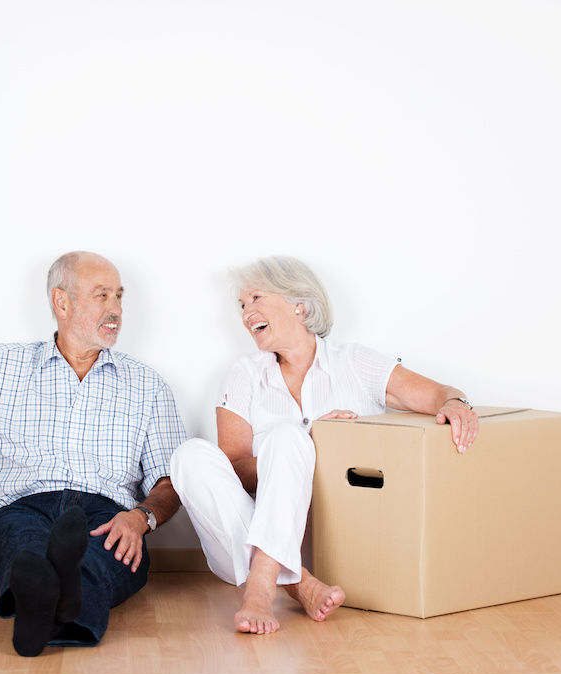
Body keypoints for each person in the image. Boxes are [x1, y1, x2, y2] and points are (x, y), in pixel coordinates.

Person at [0, 251, 186, 656]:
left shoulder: (147, 385)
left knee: (105, 556)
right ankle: (58, 606)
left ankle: (37, 607)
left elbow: (169, 482)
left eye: (119, 296)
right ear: (61, 302)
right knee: (21, 542)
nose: (115, 309)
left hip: (107, 514)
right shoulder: (0, 367)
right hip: (25, 506)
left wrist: (140, 518)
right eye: (102, 296)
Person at [170, 256, 480, 635]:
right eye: (241, 305)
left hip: (341, 545)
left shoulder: (355, 363)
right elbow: (235, 471)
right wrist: (309, 439)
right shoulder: (244, 373)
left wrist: (455, 404)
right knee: (189, 457)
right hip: (250, 533)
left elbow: (440, 394)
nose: (246, 312)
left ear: (298, 304)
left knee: (286, 436)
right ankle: (292, 582)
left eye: (255, 298)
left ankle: (269, 580)